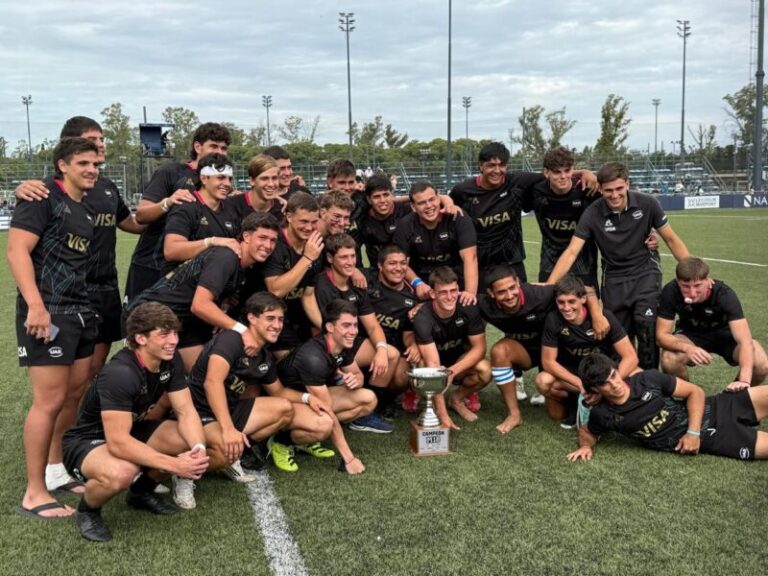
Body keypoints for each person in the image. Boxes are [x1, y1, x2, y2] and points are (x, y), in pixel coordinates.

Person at [13, 116, 145, 383]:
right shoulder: (44, 191)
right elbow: (18, 249)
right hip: (61, 296)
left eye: (102, 140)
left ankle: (88, 411)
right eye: (91, 140)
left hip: (102, 288)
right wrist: (20, 188)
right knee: (57, 389)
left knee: (90, 375)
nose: (100, 145)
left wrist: (168, 211)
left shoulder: (105, 188)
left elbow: (130, 223)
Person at [9, 137, 101, 518]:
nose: (92, 169)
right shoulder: (41, 197)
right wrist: (36, 306)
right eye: (83, 163)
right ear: (62, 165)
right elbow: (16, 251)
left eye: (95, 164)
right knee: (48, 401)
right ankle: (34, 493)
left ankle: (55, 468)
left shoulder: (85, 207)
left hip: (80, 311)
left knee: (73, 394)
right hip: (48, 312)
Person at [62, 303, 209, 541]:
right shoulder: (121, 373)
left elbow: (185, 410)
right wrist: (174, 465)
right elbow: (118, 442)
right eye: (164, 334)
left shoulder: (170, 360)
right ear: (140, 338)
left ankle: (140, 493)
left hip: (131, 428)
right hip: (89, 440)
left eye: (175, 333)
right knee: (122, 472)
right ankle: (88, 511)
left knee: (186, 439)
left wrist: (198, 448)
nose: (173, 340)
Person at [178, 293, 334, 507]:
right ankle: (183, 474)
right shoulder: (231, 339)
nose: (277, 325)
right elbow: (212, 383)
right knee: (226, 452)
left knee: (284, 408)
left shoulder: (264, 356)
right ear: (251, 318)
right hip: (199, 413)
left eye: (280, 319)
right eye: (270, 318)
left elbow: (279, 392)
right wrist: (228, 429)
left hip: (229, 409)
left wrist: (307, 398)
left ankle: (233, 454)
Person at [547, 162, 690, 370]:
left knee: (646, 327)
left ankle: (650, 380)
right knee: (618, 336)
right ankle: (627, 382)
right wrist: (550, 284)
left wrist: (692, 274)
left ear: (627, 184)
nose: (614, 195)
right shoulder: (593, 213)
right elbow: (571, 252)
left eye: (619, 188)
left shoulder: (648, 203)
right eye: (608, 190)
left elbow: (671, 239)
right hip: (614, 278)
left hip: (645, 273)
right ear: (600, 189)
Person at [126, 212, 280, 372]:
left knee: (200, 376)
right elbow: (200, 305)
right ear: (246, 236)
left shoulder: (242, 266)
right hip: (148, 317)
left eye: (273, 240)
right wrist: (242, 330)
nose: (268, 245)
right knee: (146, 377)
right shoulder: (226, 257)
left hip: (183, 323)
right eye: (262, 238)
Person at [568, 353, 768, 462]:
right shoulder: (603, 414)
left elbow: (695, 392)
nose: (614, 384)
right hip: (714, 437)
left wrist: (692, 433)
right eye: (605, 383)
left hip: (716, 407)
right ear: (595, 389)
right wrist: (585, 446)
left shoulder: (647, 379)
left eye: (613, 375)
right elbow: (587, 431)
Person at [125, 122, 230, 302]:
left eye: (224, 148)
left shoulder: (222, 182)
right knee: (140, 316)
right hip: (151, 264)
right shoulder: (171, 172)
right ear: (197, 147)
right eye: (213, 146)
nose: (219, 152)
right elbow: (141, 215)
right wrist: (167, 202)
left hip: (186, 271)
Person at [307, 233, 401, 432]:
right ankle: (355, 406)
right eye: (343, 257)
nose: (350, 262)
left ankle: (368, 412)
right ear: (330, 258)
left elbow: (372, 325)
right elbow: (318, 329)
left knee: (391, 354)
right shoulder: (321, 285)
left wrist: (381, 349)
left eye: (352, 256)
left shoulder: (357, 284)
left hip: (349, 340)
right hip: (328, 344)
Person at [277, 300, 377, 475]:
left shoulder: (342, 344)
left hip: (312, 397)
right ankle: (281, 440)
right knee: (325, 423)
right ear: (330, 327)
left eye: (355, 325)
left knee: (368, 399)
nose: (353, 331)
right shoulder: (313, 357)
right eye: (346, 325)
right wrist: (349, 459)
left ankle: (306, 436)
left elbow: (358, 375)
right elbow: (327, 409)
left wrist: (355, 380)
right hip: (287, 402)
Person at [537, 276, 639, 428]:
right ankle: (577, 403)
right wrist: (579, 383)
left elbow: (631, 357)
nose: (566, 307)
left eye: (571, 301)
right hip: (574, 374)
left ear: (583, 299)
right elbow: (548, 362)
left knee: (638, 373)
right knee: (543, 381)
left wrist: (606, 385)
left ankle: (616, 407)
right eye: (561, 302)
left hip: (604, 372)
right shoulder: (553, 319)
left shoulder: (604, 317)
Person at [656, 257, 768, 389]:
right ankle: (687, 396)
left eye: (697, 285)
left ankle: (735, 396)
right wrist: (687, 348)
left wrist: (744, 380)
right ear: (677, 281)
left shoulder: (724, 294)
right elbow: (661, 336)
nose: (692, 293)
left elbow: (745, 341)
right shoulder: (671, 291)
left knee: (761, 364)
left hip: (726, 336)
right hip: (690, 335)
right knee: (669, 359)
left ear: (708, 280)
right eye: (685, 286)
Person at [412, 266, 491, 429]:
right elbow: (433, 365)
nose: (450, 297)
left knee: (485, 369)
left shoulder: (468, 307)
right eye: (443, 292)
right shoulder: (423, 317)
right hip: (433, 364)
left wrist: (452, 371)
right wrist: (443, 416)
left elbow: (480, 348)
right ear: (432, 294)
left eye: (453, 291)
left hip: (458, 363)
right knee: (423, 365)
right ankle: (433, 406)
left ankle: (456, 399)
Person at [261, 192, 325, 357]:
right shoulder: (274, 244)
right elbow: (276, 290)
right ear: (289, 217)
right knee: (301, 365)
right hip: (267, 319)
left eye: (314, 222)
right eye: (303, 221)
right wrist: (307, 258)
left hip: (296, 320)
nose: (309, 228)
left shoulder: (314, 246)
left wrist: (325, 327)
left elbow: (308, 295)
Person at [394, 181, 478, 305]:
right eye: (421, 203)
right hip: (422, 281)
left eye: (432, 199)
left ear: (439, 199)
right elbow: (401, 263)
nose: (429, 206)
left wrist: (470, 293)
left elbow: (470, 258)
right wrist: (417, 283)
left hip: (454, 278)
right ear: (413, 207)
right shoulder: (405, 225)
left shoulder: (458, 217)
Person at [529, 146, 600, 288]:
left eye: (567, 170)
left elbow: (621, 199)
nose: (563, 176)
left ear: (572, 169)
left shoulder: (588, 189)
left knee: (586, 298)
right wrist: (582, 171)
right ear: (546, 172)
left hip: (582, 256)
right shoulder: (535, 190)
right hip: (550, 255)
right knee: (547, 295)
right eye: (557, 172)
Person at [162, 153, 242, 273]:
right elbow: (171, 250)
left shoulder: (231, 209)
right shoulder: (186, 205)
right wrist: (211, 242)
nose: (227, 184)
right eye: (220, 177)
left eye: (229, 179)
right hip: (182, 281)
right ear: (204, 178)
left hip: (216, 280)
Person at [366, 245, 421, 414]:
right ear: (380, 266)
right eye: (392, 263)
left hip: (393, 352)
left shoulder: (412, 297)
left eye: (403, 263)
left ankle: (385, 400)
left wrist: (413, 345)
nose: (398, 268)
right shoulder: (366, 281)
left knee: (403, 375)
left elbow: (408, 333)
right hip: (364, 345)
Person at [358, 174, 412, 270]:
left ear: (392, 195)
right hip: (378, 273)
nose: (382, 200)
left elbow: (429, 199)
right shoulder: (361, 217)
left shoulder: (406, 209)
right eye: (376, 196)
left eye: (386, 195)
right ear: (369, 200)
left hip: (407, 271)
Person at [230, 154, 285, 222]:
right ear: (252, 181)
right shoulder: (232, 206)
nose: (271, 184)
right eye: (264, 178)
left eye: (274, 178)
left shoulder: (282, 209)